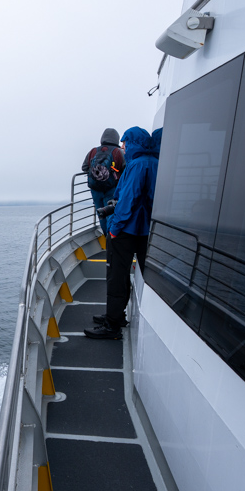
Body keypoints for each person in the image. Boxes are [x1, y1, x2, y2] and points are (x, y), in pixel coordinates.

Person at [85, 126, 162, 340]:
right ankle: (116, 315)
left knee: (116, 276)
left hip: (127, 230)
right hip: (146, 230)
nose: (123, 147)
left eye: (125, 143)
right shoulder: (155, 163)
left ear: (133, 143)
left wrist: (115, 230)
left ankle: (113, 324)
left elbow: (127, 201)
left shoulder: (137, 165)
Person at [82, 128, 125, 235]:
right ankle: (111, 238)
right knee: (111, 212)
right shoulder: (118, 152)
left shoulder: (93, 151)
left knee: (101, 213)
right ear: (116, 139)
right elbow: (126, 168)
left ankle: (106, 236)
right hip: (111, 188)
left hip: (95, 188)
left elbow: (84, 167)